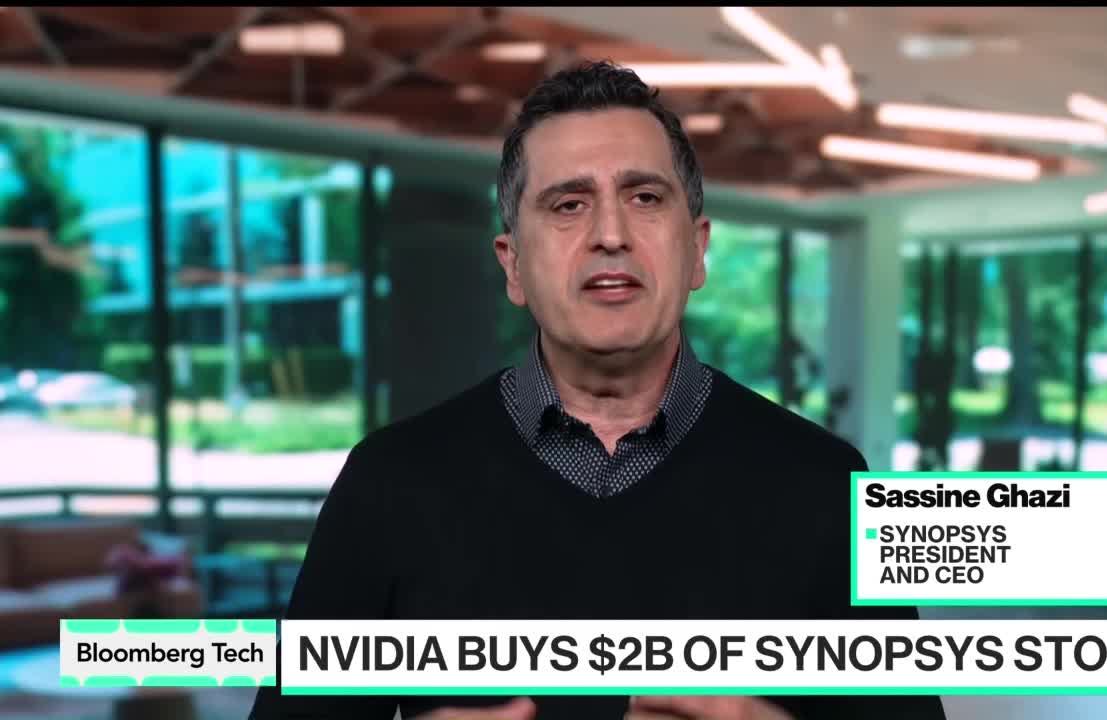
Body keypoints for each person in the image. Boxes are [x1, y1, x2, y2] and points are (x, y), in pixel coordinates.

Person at [250, 61, 945, 720]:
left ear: (697, 250)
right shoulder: (389, 483)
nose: (610, 234)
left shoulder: (827, 485)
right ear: (513, 266)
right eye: (568, 204)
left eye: (645, 198)